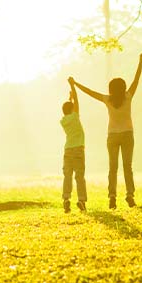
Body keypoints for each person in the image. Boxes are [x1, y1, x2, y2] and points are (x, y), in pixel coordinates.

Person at [70, 55, 142, 209]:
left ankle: (112, 196)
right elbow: (136, 80)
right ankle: (130, 195)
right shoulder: (128, 96)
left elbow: (90, 92)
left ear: (110, 89)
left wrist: (75, 84)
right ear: (123, 88)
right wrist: (141, 62)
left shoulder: (107, 99)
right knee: (127, 166)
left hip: (112, 136)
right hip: (127, 134)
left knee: (113, 167)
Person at [59, 79, 87, 213]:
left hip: (68, 150)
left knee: (67, 176)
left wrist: (69, 99)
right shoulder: (75, 117)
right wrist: (73, 85)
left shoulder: (63, 121)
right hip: (78, 150)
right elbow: (77, 101)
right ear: (72, 109)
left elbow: (68, 108)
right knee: (79, 176)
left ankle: (66, 199)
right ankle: (81, 200)